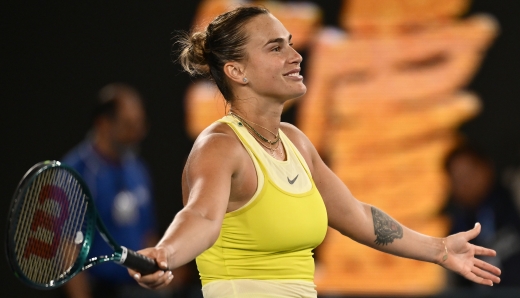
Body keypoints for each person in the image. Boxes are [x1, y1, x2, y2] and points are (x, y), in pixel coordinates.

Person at [128, 6, 501, 297]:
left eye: (290, 42)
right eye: (276, 48)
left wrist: (438, 250)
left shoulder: (295, 142)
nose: (296, 55)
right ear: (237, 71)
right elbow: (202, 217)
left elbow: (358, 216)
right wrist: (166, 253)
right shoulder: (220, 146)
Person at [61, 83, 164, 298]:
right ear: (104, 124)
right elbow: (69, 251)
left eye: (140, 124)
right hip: (101, 290)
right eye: (129, 125)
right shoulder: (76, 174)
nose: (139, 133)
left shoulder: (139, 169)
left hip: (138, 289)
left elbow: (148, 236)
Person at [442, 143, 520, 289]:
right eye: (458, 179)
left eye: (470, 173)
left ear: (488, 166)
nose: (466, 183)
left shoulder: (513, 196)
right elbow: (453, 287)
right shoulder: (456, 231)